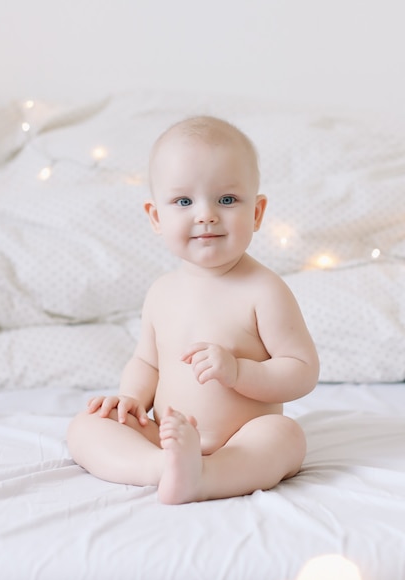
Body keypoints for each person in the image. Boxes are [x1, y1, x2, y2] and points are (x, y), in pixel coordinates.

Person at [67, 115, 319, 504]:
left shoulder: (264, 290)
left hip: (243, 439)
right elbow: (147, 363)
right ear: (156, 216)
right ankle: (161, 467)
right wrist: (131, 400)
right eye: (184, 201)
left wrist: (239, 372)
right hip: (168, 434)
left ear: (256, 212)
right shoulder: (161, 291)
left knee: (285, 437)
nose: (206, 215)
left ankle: (209, 476)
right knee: (86, 427)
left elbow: (301, 372)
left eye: (227, 199)